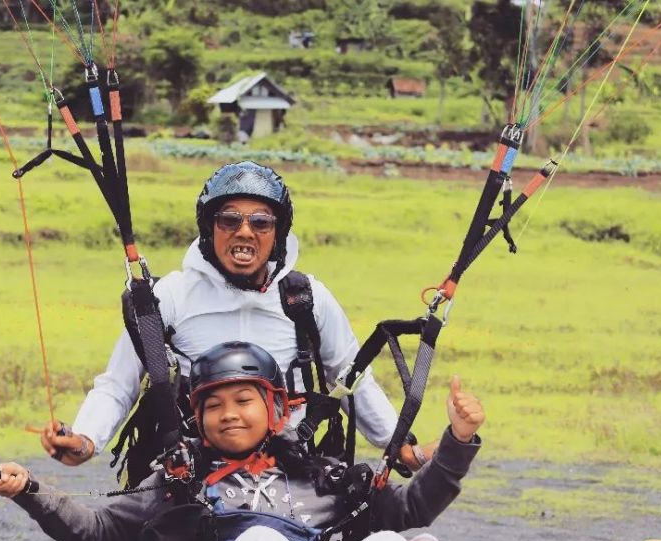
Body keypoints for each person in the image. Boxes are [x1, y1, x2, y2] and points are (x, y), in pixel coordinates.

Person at [0, 341, 484, 541]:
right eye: (212, 405)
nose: (227, 415)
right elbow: (98, 534)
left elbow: (409, 510)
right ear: (197, 418)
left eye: (242, 401)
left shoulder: (322, 475)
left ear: (275, 410)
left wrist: (458, 440)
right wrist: (32, 492)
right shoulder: (177, 481)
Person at [38, 161, 435, 474]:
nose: (244, 231)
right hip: (193, 465)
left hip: (289, 465)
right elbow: (117, 384)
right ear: (210, 229)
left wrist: (398, 444)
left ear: (276, 234)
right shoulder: (171, 296)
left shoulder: (305, 297)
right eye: (229, 220)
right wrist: (86, 438)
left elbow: (351, 379)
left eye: (260, 222)